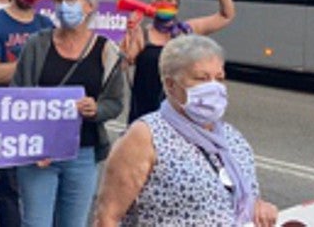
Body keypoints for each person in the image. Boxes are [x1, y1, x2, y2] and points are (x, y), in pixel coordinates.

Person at [94, 35, 278, 227]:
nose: (214, 87)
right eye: (202, 78)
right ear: (171, 85)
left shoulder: (231, 138)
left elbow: (237, 197)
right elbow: (107, 217)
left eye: (219, 78)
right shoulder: (145, 137)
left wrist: (258, 207)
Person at [10, 0, 127, 227]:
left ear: (89, 5)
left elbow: (115, 102)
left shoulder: (107, 51)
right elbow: (17, 95)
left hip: (82, 154)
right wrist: (28, 144)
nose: (65, 6)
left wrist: (96, 109)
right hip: (38, 152)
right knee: (36, 223)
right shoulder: (36, 44)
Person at [0, 0, 56, 227]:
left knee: (42, 184)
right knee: (10, 187)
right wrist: (30, 62)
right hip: (8, 117)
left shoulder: (48, 26)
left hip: (41, 117)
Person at [121, 0, 236, 122]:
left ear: (176, 6)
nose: (164, 3)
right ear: (151, 5)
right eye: (159, 0)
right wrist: (129, 35)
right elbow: (124, 63)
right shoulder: (143, 33)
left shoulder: (187, 30)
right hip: (145, 111)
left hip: (181, 112)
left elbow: (226, 16)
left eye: (168, 0)